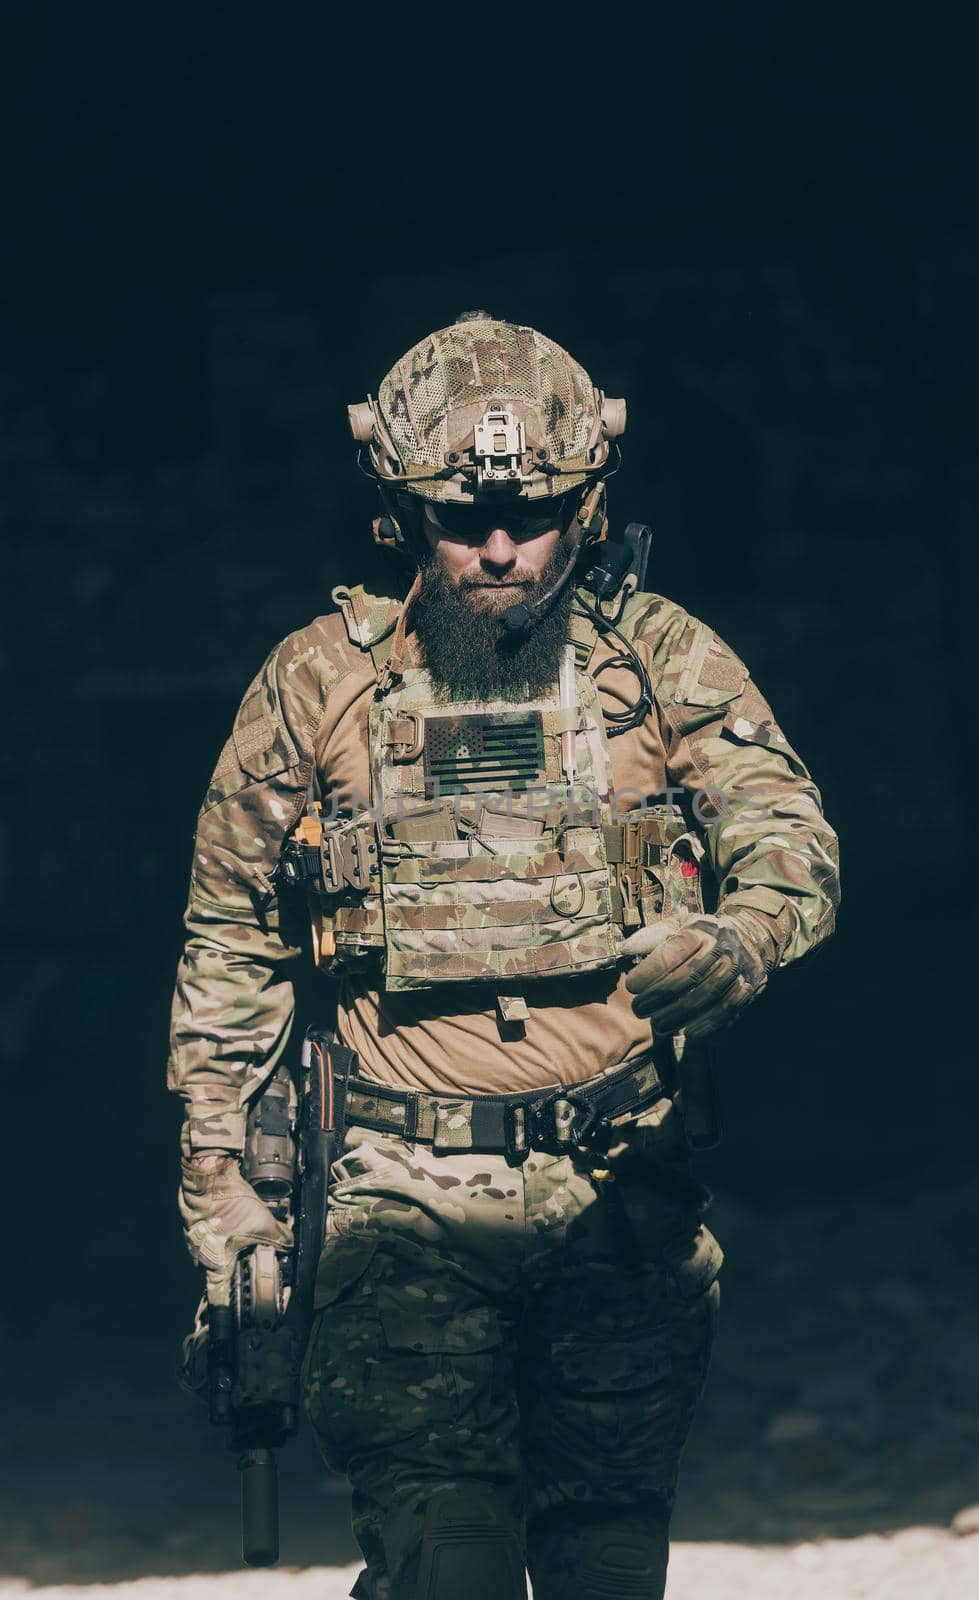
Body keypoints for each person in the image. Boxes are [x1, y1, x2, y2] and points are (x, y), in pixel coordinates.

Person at [170, 312, 841, 1599]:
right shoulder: (317, 685)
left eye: (532, 514)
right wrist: (224, 1202)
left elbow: (788, 836)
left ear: (587, 504)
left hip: (617, 1194)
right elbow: (230, 946)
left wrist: (739, 938)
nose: (496, 547)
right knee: (451, 1565)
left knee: (604, 1558)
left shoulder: (658, 659)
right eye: (460, 515)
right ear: (397, 509)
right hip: (395, 1199)